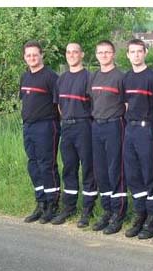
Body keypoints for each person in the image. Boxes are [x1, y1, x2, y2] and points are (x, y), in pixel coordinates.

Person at [50, 42, 98, 227]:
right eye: (68, 52)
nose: (71, 55)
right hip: (67, 127)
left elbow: (94, 104)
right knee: (69, 168)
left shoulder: (89, 77)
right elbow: (59, 106)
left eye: (75, 52)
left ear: (82, 55)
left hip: (84, 125)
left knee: (88, 168)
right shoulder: (61, 79)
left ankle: (87, 209)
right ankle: (68, 207)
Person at [121, 39, 153, 239]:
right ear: (127, 55)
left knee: (149, 174)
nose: (136, 55)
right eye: (132, 52)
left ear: (145, 52)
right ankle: (140, 214)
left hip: (147, 130)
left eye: (139, 51)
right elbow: (126, 105)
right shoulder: (126, 78)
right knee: (133, 174)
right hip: (130, 129)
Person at [87, 40, 128, 235]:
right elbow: (92, 102)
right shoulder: (93, 76)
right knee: (101, 170)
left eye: (107, 52)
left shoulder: (121, 77)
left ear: (113, 54)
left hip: (115, 125)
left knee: (115, 169)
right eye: (100, 52)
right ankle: (107, 209)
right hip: (96, 126)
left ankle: (118, 212)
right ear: (96, 55)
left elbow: (127, 105)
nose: (103, 55)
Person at [20, 40, 61, 224]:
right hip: (28, 126)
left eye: (35, 54)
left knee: (47, 165)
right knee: (33, 165)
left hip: (46, 126)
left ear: (41, 55)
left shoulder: (51, 77)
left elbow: (59, 104)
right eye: (28, 55)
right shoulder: (24, 77)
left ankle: (52, 204)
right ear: (24, 57)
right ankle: (41, 202)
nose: (32, 58)